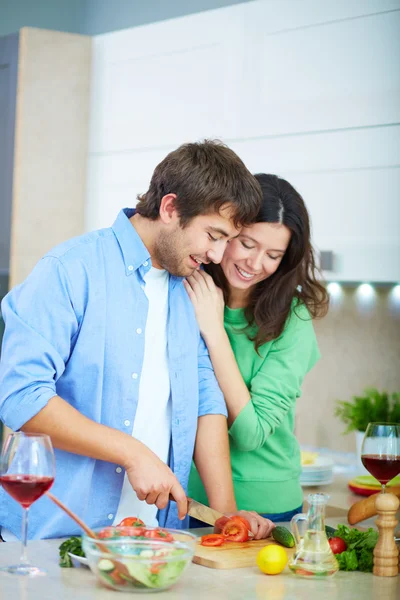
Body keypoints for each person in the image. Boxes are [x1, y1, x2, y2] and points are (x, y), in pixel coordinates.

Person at [0, 140, 274, 541]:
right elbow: (21, 396)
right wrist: (133, 453)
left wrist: (225, 514)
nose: (218, 255)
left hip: (156, 539)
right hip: (57, 537)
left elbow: (204, 398)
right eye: (213, 235)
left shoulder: (190, 287)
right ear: (169, 208)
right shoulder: (69, 270)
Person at [185, 173, 329, 523]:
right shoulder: (189, 288)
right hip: (187, 499)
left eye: (274, 255)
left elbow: (251, 433)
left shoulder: (293, 319)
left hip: (268, 506)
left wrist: (214, 332)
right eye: (248, 244)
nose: (255, 263)